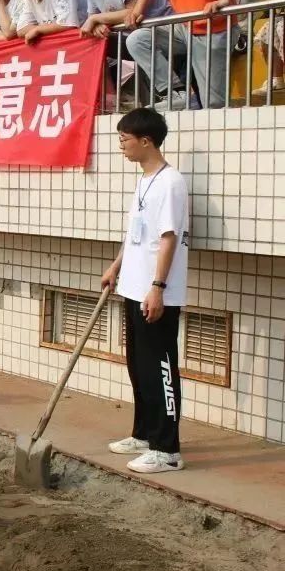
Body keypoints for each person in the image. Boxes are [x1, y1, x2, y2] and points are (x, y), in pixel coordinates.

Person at [100, 108, 189, 474]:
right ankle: (144, 434)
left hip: (155, 292)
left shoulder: (170, 183)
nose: (121, 146)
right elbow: (136, 233)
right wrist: (116, 266)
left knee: (161, 369)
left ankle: (167, 450)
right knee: (139, 366)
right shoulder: (144, 181)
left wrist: (157, 287)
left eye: (125, 140)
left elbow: (168, 239)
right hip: (133, 287)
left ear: (146, 141)